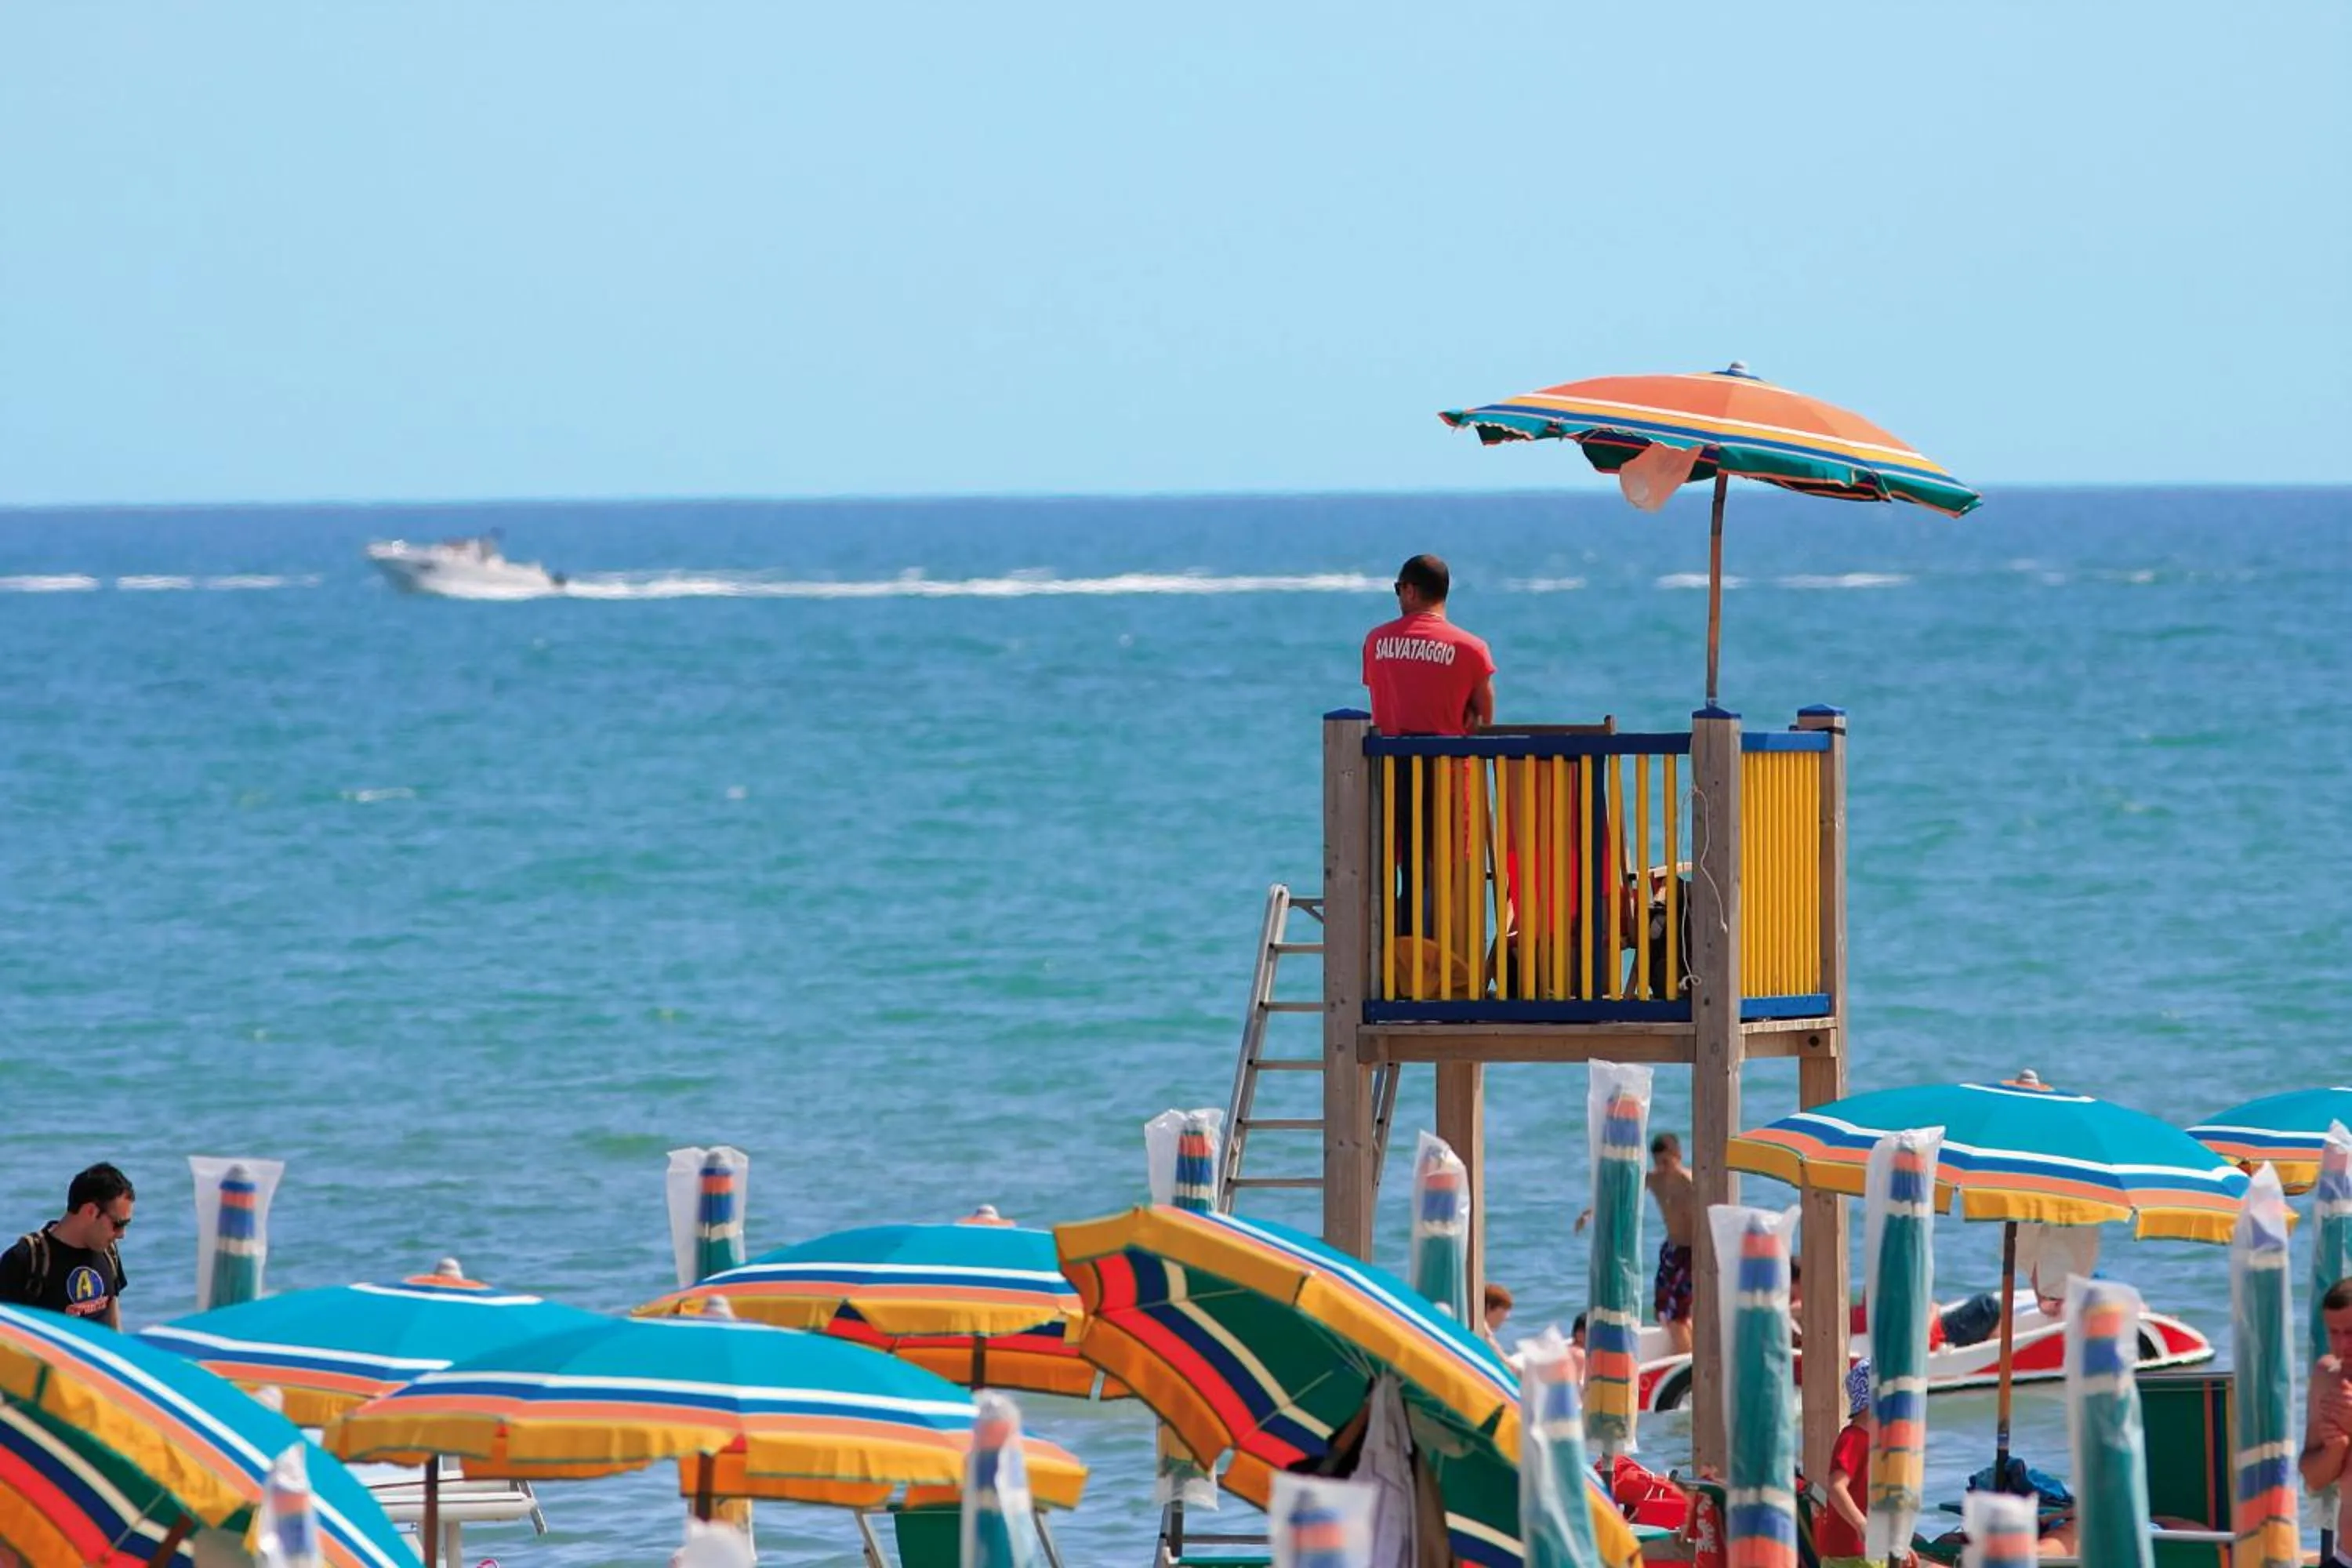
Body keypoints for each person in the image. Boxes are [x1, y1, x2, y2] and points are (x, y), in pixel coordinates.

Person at [1361, 554, 1495, 739]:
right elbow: (1484, 723)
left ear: (1410, 591)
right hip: (1449, 758)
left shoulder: (1375, 642)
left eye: (1398, 589)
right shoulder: (1472, 649)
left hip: (1388, 758)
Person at [0, 1163, 135, 1327]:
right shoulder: (26, 1260)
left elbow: (113, 1323)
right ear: (91, 1211)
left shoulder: (108, 1252)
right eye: (118, 1224)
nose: (122, 1234)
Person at [2300, 1276, 2352, 1564]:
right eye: (2334, 1333)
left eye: (2351, 1332)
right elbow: (2314, 1479)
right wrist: (2335, 1449)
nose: (2343, 1345)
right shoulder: (2328, 1378)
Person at [1814, 1360, 1875, 1568]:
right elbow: (1836, 1487)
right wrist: (1861, 1524)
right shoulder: (1854, 1439)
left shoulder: (1874, 1443)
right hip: (1849, 1554)